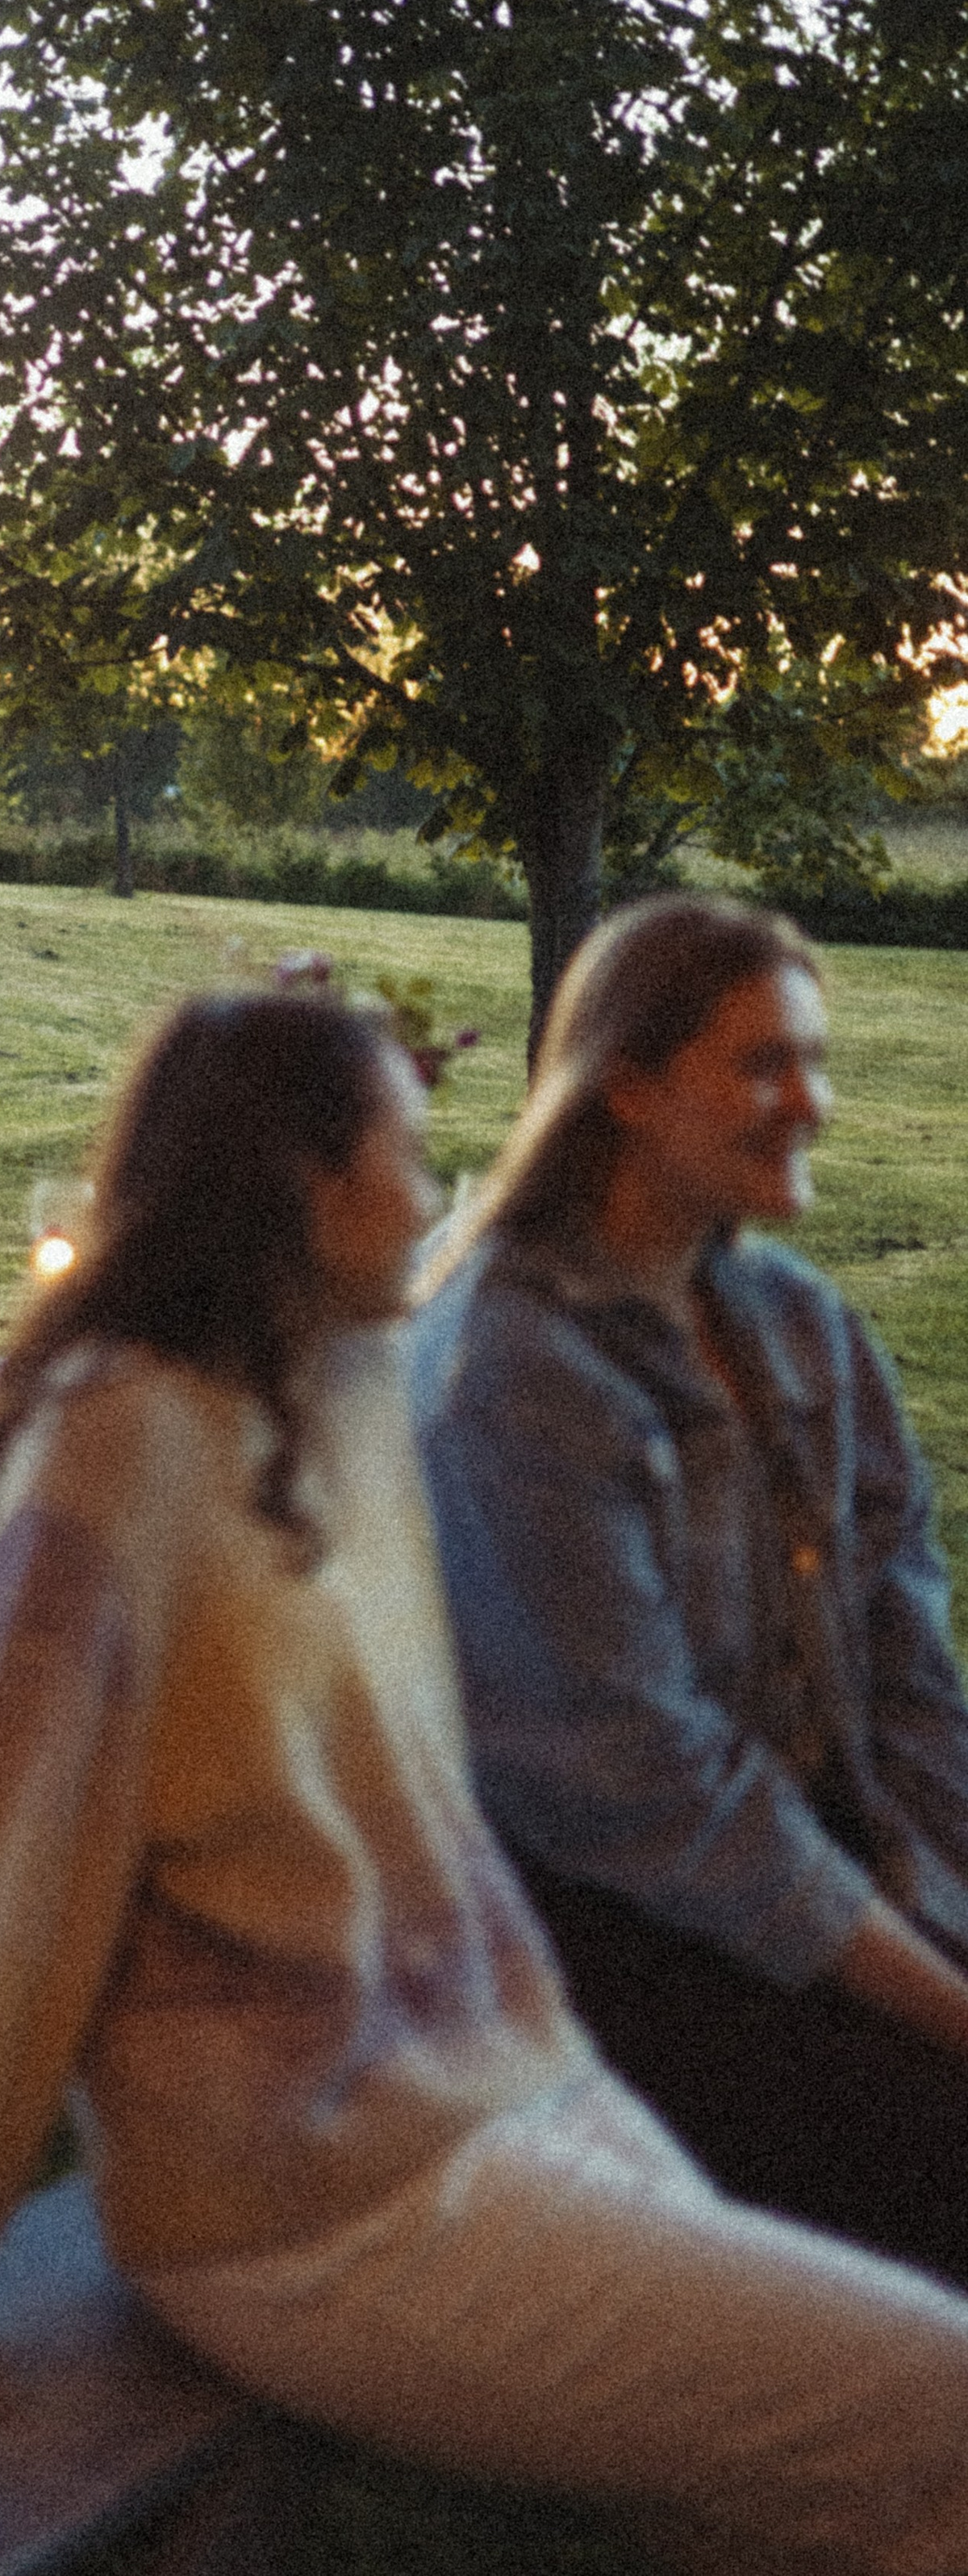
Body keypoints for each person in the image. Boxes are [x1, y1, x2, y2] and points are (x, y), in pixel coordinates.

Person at [0, 986, 968, 2575]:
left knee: (799, 2474)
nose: (438, 1196)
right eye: (409, 1155)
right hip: (293, 2199)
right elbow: (7, 1881)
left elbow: (421, 1817)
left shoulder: (339, 1387)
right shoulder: (120, 1449)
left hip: (485, 2084)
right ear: (307, 1188)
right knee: (933, 2407)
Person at [413, 892, 968, 2295]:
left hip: (833, 1874)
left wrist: (944, 1889)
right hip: (624, 1957)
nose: (813, 1104)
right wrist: (945, 2001)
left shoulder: (798, 1324)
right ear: (629, 1087)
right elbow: (655, 1800)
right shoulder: (515, 1370)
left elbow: (910, 1677)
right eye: (766, 1064)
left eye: (817, 1062)